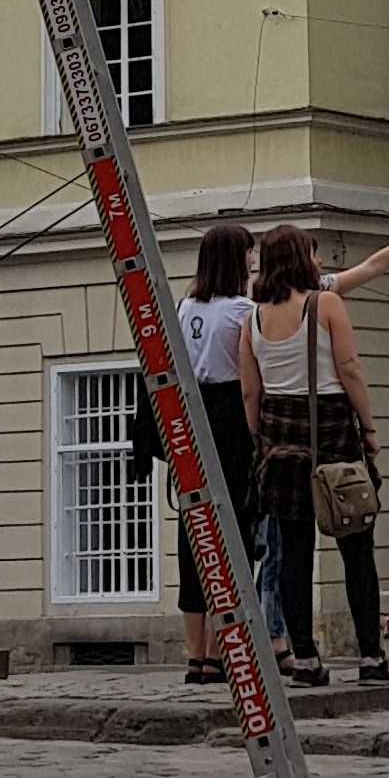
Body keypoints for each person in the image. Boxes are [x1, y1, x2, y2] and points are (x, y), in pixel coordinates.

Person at [240, 204, 389, 685]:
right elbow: (350, 369)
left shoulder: (251, 319)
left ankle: (306, 661)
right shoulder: (326, 304)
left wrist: (260, 439)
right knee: (357, 548)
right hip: (333, 432)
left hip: (280, 443)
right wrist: (370, 429)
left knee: (293, 555)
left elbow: (250, 390)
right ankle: (371, 658)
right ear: (301, 259)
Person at [175, 220, 260, 684]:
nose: (253, 260)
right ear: (235, 259)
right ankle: (226, 650)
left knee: (194, 535)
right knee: (235, 534)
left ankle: (197, 654)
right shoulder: (243, 310)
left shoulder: (187, 305)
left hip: (191, 416)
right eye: (248, 252)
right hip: (230, 417)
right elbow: (249, 376)